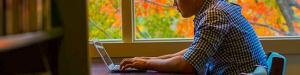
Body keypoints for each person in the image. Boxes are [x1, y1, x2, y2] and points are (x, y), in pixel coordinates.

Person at [120, 0, 268, 74]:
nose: (174, 4)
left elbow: (188, 65)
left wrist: (147, 65)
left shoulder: (214, 15)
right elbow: (194, 52)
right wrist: (148, 60)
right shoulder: (215, 8)